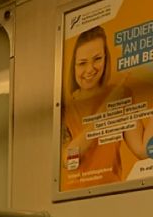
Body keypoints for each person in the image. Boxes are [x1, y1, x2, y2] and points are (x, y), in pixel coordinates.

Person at [61, 25, 147, 185]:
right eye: (82, 63)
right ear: (74, 66)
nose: (90, 69)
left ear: (106, 58)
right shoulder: (65, 106)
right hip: (74, 199)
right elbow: (68, 159)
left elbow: (142, 150)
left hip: (111, 193)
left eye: (97, 59)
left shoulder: (121, 94)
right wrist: (108, 106)